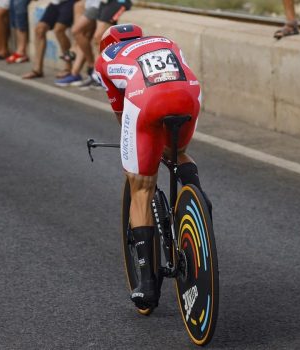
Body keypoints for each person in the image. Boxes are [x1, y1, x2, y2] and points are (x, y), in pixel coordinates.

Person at [94, 24, 206, 310]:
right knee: (178, 150)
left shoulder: (106, 57)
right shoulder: (165, 40)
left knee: (141, 185)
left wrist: (141, 153)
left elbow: (122, 114)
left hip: (147, 102)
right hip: (188, 95)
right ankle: (199, 201)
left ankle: (146, 284)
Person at [22, 0, 78, 79]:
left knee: (59, 30)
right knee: (39, 29)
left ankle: (68, 67)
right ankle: (37, 69)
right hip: (55, 2)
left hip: (70, 2)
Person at [55, 0, 100, 86]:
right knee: (83, 34)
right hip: (91, 4)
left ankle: (90, 66)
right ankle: (75, 72)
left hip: (100, 5)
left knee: (78, 32)